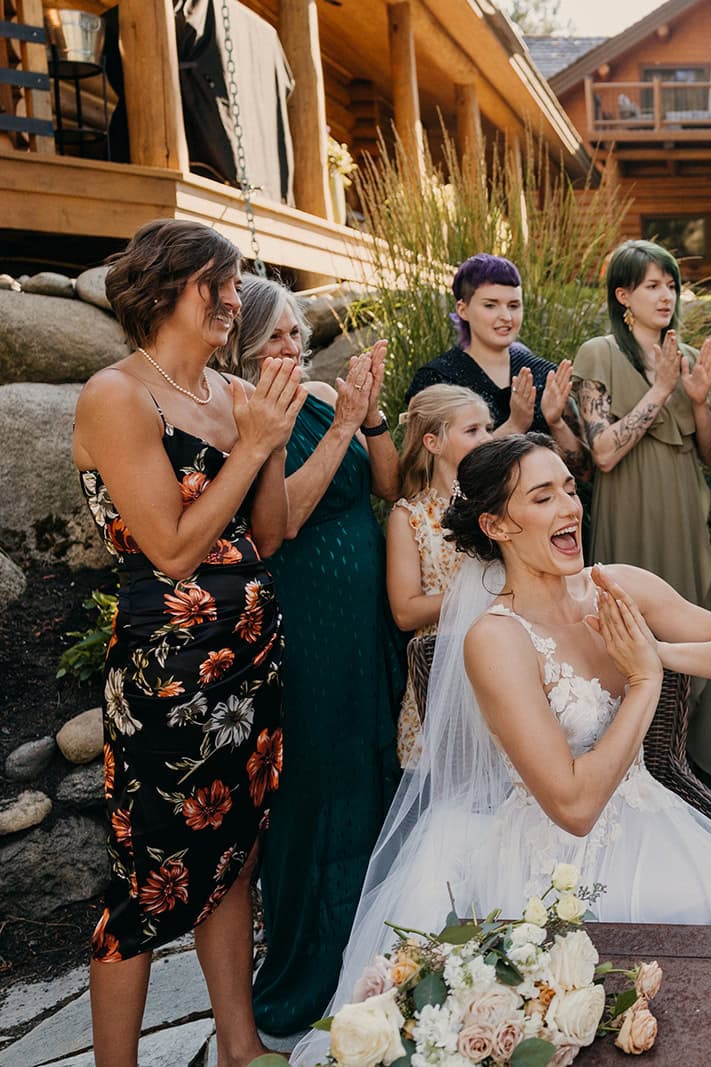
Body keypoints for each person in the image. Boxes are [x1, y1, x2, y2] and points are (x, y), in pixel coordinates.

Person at [296, 435, 711, 1061]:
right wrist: (644, 682)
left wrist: (655, 653)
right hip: (551, 864)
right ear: (497, 525)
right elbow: (572, 804)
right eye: (543, 496)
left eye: (569, 487)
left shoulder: (614, 586)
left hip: (651, 821)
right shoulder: (496, 640)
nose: (570, 506)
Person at [73, 219, 304, 1067]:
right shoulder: (116, 395)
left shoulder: (232, 394)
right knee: (148, 885)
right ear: (172, 286)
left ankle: (240, 1049)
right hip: (168, 679)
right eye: (224, 283)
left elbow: (268, 533)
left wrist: (268, 441)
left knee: (233, 860)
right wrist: (251, 446)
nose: (237, 300)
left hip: (249, 671)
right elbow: (171, 549)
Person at [211, 275, 406, 1033]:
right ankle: (306, 970)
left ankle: (383, 950)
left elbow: (384, 483)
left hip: (365, 614)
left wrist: (371, 413)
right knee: (315, 781)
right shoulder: (248, 415)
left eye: (297, 333)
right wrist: (336, 430)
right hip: (304, 617)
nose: (291, 348)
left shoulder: (327, 398)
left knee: (371, 764)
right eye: (274, 336)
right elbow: (279, 522)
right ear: (241, 345)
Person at [572, 240, 711, 791]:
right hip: (632, 508)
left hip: (686, 509)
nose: (665, 296)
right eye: (651, 286)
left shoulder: (682, 354)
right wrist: (661, 391)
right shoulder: (598, 353)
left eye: (670, 285)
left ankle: (700, 777)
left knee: (691, 629)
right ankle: (636, 779)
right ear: (623, 296)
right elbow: (605, 450)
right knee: (631, 636)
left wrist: (702, 400)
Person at [387, 384, 496, 767]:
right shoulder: (410, 518)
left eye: (488, 428)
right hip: (442, 669)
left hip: (503, 659)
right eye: (472, 431)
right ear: (433, 442)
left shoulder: (500, 507)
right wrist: (476, 596)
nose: (487, 438)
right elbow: (404, 611)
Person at [403, 253, 581, 456]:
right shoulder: (437, 379)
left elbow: (584, 473)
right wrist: (515, 425)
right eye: (490, 305)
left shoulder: (544, 374)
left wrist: (556, 423)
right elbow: (426, 469)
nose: (506, 317)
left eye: (513, 306)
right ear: (463, 310)